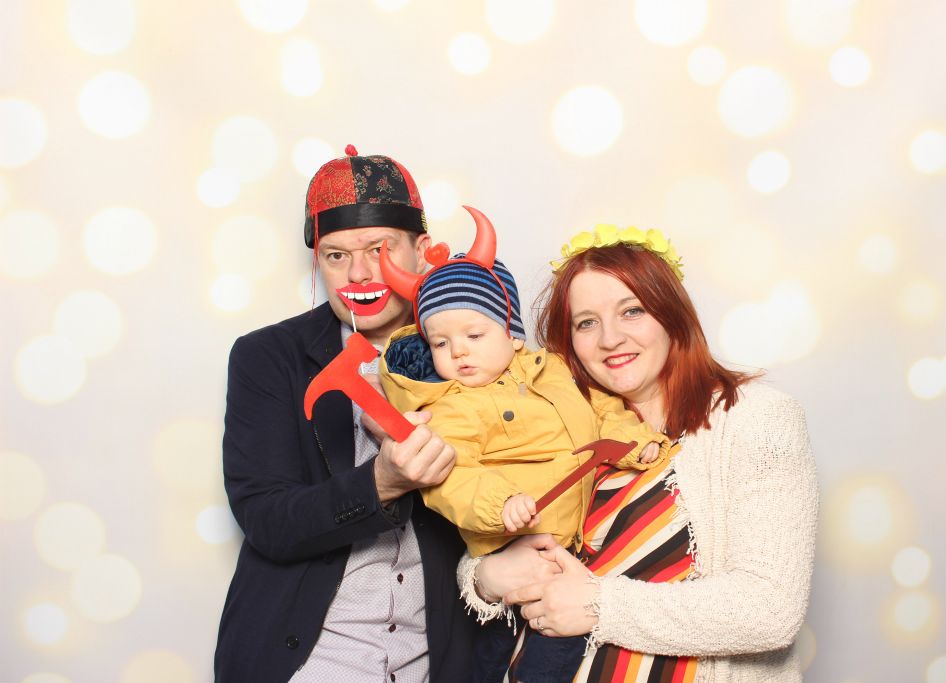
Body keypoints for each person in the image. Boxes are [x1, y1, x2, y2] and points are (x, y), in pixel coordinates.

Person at [458, 225, 818, 682]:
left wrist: (598, 604)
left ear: (672, 315)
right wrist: (485, 578)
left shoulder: (756, 418)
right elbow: (494, 526)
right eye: (586, 322)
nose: (609, 339)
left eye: (632, 311)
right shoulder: (559, 422)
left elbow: (769, 609)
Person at [214, 146, 477, 682]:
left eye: (380, 249)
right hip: (310, 661)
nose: (359, 273)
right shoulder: (268, 357)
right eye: (336, 256)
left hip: (436, 665)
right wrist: (381, 483)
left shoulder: (474, 350)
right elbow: (266, 520)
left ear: (420, 250)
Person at [376, 208, 668, 683]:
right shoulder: (450, 408)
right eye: (441, 343)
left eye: (474, 335)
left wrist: (636, 442)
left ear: (512, 336)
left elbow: (602, 409)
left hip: (569, 550)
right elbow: (451, 480)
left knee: (561, 648)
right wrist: (502, 504)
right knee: (502, 661)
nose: (459, 351)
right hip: (510, 547)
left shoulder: (552, 371)